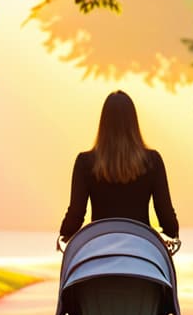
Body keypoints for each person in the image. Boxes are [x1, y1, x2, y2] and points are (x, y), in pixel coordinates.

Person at [58, 90, 179, 246]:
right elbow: (167, 218)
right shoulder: (152, 161)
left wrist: (63, 236)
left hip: (100, 248)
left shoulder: (85, 162)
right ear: (133, 122)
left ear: (103, 122)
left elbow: (76, 215)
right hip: (140, 249)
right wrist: (171, 234)